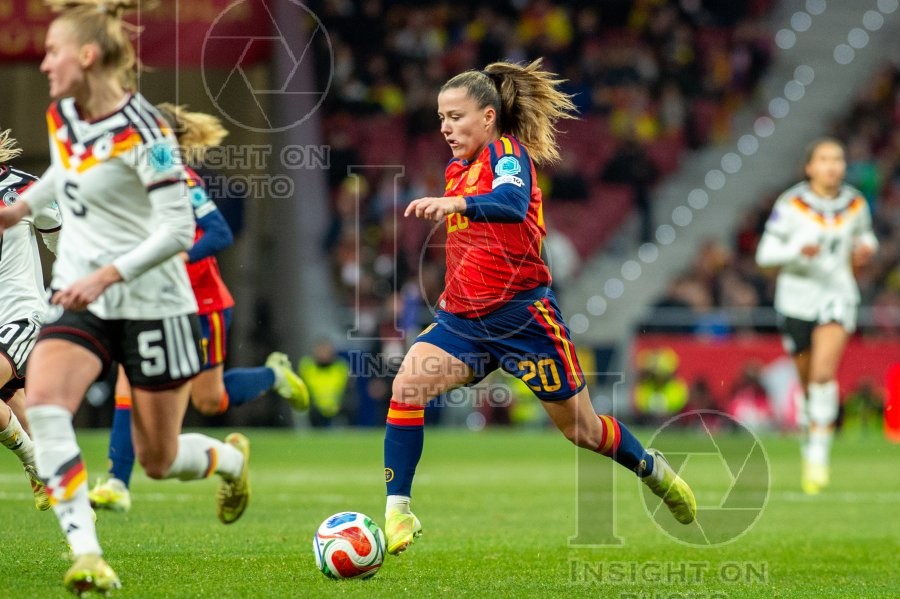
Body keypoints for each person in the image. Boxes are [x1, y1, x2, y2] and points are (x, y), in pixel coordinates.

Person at [384, 58, 696, 556]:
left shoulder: (509, 156)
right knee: (407, 386)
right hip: (463, 321)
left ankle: (653, 470)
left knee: (583, 430)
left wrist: (454, 206)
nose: (445, 127)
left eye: (456, 116)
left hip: (524, 320)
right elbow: (476, 246)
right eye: (441, 117)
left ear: (488, 117)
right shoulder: (454, 168)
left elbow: (509, 205)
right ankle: (397, 513)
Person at [0, 1, 250, 592]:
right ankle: (86, 553)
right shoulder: (63, 115)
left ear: (86, 57)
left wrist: (109, 274)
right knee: (48, 402)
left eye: (53, 51)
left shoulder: (150, 134)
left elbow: (180, 231)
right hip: (82, 298)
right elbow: (64, 174)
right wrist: (20, 209)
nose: (43, 64)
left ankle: (232, 463)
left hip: (152, 303)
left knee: (158, 459)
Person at [88, 104, 309, 512]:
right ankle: (117, 482)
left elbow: (220, 232)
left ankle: (272, 375)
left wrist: (169, 259)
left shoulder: (179, 179)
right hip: (151, 306)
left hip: (201, 306)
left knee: (210, 400)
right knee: (127, 379)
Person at [756, 137, 878, 495]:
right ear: (809, 167)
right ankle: (812, 431)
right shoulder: (791, 204)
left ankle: (818, 456)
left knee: (824, 373)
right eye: (824, 159)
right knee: (808, 381)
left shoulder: (855, 203)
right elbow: (765, 254)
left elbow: (866, 236)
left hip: (838, 296)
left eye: (838, 159)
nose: (832, 166)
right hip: (795, 301)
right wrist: (796, 250)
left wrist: (866, 250)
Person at [0, 128, 58, 512]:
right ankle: (62, 488)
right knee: (14, 403)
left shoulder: (26, 189)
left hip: (20, 314)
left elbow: (59, 240)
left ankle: (36, 464)